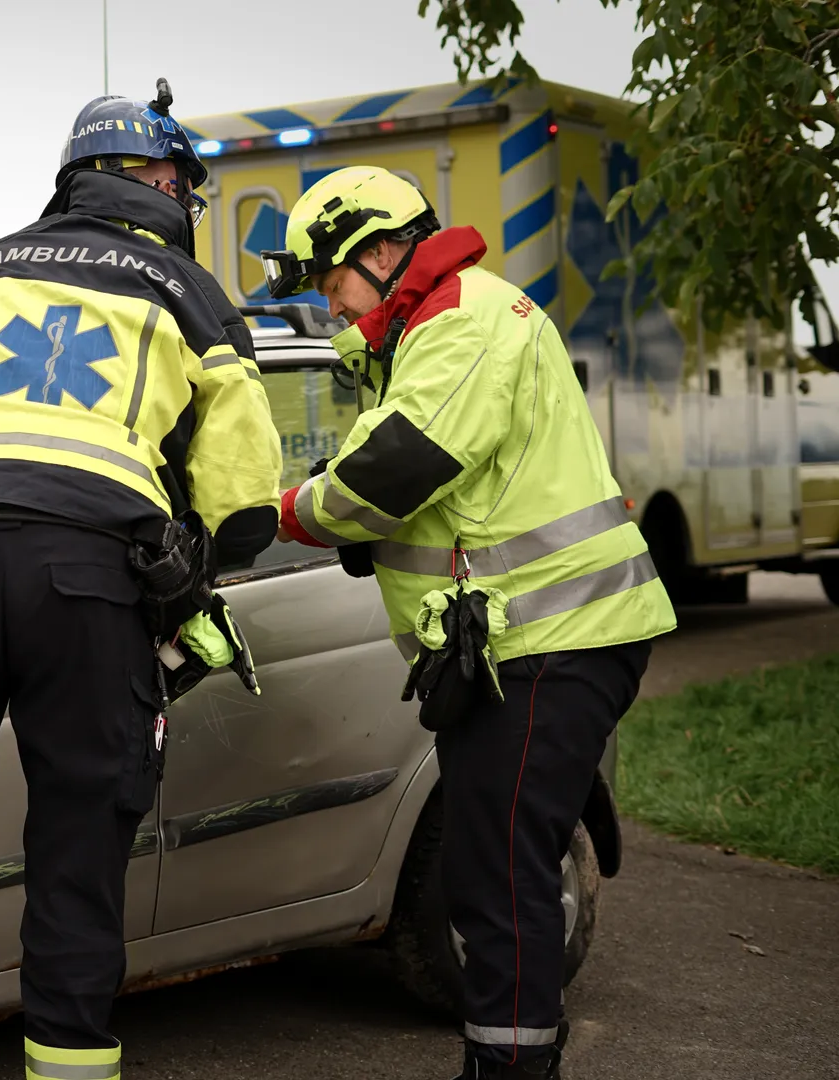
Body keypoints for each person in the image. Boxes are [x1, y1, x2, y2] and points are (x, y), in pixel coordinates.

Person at [0, 82, 282, 1080]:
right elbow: (248, 498)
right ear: (161, 178)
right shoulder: (186, 289)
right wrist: (192, 568)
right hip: (86, 578)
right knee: (76, 861)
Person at [262, 166, 676, 1080]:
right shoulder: (435, 326)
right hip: (527, 647)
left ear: (377, 251)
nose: (329, 309)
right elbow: (445, 493)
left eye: (331, 285)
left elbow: (395, 470)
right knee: (491, 868)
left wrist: (281, 511)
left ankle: (511, 1068)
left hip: (554, 642)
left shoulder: (464, 320)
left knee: (498, 873)